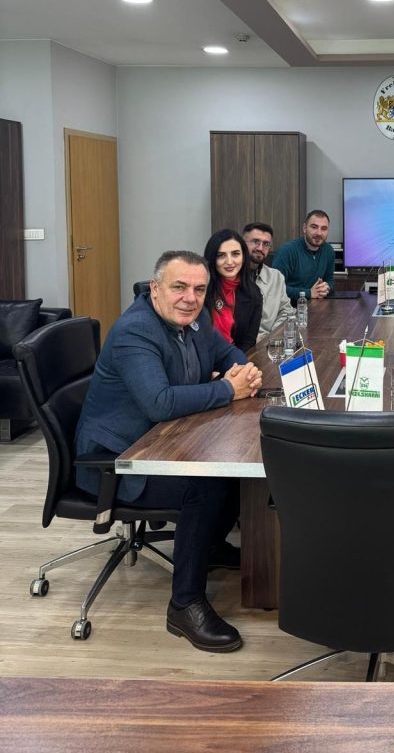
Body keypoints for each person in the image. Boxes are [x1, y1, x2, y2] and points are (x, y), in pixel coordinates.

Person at [75, 251, 263, 653]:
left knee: (234, 468)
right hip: (119, 460)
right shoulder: (135, 332)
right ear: (155, 288)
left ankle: (209, 546)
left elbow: (226, 352)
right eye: (179, 287)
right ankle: (184, 605)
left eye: (199, 289)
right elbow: (159, 403)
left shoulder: (195, 319)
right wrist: (228, 389)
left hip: (164, 440)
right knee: (205, 485)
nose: (190, 298)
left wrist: (243, 370)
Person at [203, 228, 263, 351]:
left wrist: (233, 360)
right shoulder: (200, 289)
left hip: (235, 358)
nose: (229, 262)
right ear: (212, 258)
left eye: (235, 254)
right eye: (221, 255)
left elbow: (249, 340)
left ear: (244, 256)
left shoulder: (253, 293)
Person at [242, 221, 293, 338]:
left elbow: (285, 312)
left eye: (266, 244)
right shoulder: (231, 276)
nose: (260, 248)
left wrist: (272, 337)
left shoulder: (276, 277)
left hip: (270, 341)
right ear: (242, 244)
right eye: (255, 242)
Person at [272, 209, 335, 302]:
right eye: (314, 227)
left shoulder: (328, 250)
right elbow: (275, 288)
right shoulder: (287, 251)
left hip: (317, 305)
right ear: (305, 228)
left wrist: (326, 288)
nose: (319, 233)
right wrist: (309, 293)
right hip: (290, 307)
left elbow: (330, 280)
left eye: (324, 228)